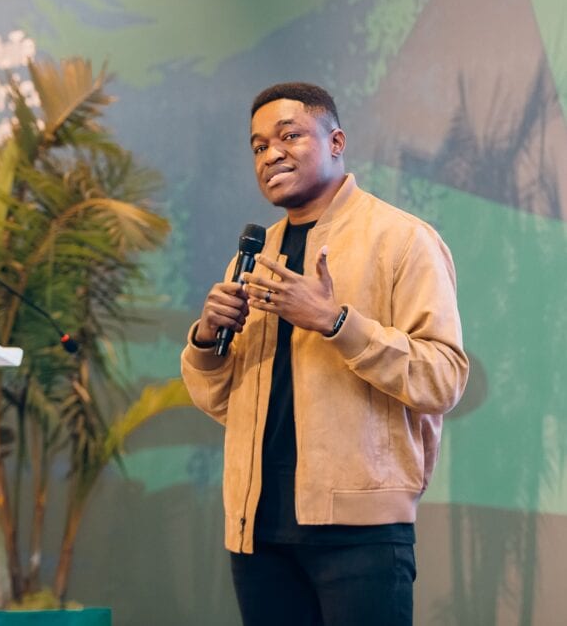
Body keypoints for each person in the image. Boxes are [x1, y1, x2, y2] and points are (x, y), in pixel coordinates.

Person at [180, 82, 469, 625]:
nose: (271, 154)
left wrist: (336, 323)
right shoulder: (255, 255)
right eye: (259, 146)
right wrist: (205, 342)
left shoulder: (402, 240)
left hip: (361, 536)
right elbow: (226, 405)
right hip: (258, 532)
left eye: (289, 135)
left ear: (335, 141)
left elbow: (444, 379)